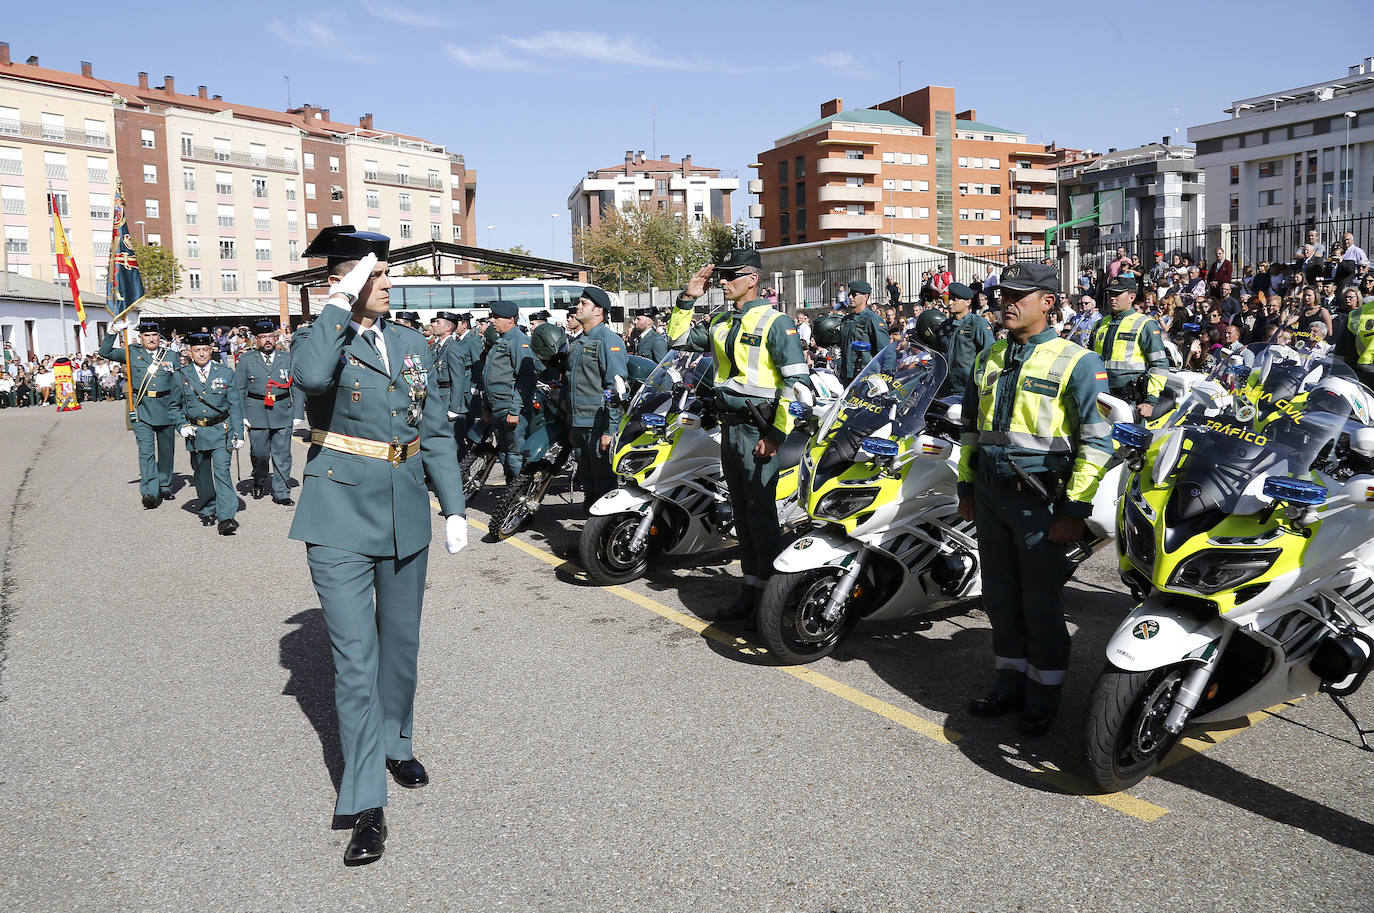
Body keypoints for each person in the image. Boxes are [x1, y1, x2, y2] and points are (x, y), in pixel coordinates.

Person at [288, 226, 467, 866]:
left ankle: (396, 742)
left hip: (405, 507)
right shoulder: (321, 339)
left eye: (388, 273)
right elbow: (310, 378)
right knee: (356, 661)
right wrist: (339, 301)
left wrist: (453, 505)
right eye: (377, 274)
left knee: (401, 644)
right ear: (344, 280)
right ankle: (366, 802)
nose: (388, 284)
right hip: (338, 513)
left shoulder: (412, 342)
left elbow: (434, 428)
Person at [956, 262, 1112, 737]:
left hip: (1040, 503)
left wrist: (1075, 511)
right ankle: (1009, 683)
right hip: (990, 497)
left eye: (1018, 295)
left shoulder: (1077, 361)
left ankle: (1043, 694)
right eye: (1003, 294)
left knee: (1040, 604)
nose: (1006, 302)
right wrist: (966, 487)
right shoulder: (989, 357)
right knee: (999, 598)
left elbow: (1097, 442)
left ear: (1047, 302)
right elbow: (971, 431)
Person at [669, 249, 810, 621]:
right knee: (743, 515)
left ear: (752, 279)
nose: (722, 281)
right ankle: (750, 587)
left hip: (758, 430)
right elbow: (677, 339)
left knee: (761, 516)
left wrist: (776, 435)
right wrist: (688, 297)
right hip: (730, 428)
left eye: (731, 275)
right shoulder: (721, 320)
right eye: (721, 274)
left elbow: (797, 384)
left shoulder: (776, 322)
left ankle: (770, 598)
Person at [99, 317, 179, 508]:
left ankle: (164, 485)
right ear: (141, 337)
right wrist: (113, 331)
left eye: (154, 335)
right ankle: (150, 491)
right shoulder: (131, 353)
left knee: (166, 450)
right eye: (147, 335)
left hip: (166, 407)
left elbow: (179, 384)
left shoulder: (171, 356)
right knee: (146, 451)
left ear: (159, 337)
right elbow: (104, 352)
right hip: (141, 407)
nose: (151, 338)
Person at [170, 332, 244, 534]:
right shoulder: (180, 375)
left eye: (205, 349)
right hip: (196, 432)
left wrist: (239, 433)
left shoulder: (225, 372)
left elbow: (235, 405)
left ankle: (226, 517)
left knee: (222, 473)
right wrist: (181, 425)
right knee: (202, 474)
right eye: (197, 350)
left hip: (221, 430)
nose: (201, 354)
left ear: (211, 350)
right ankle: (207, 509)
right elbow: (173, 406)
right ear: (189, 352)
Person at [564, 287, 629, 505]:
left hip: (598, 424)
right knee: (587, 481)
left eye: (584, 303)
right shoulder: (578, 341)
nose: (578, 307)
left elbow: (617, 389)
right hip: (579, 423)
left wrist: (609, 431)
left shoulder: (608, 340)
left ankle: (605, 525)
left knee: (604, 484)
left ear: (598, 310)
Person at [236, 318, 298, 505]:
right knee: (259, 454)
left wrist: (297, 413)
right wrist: (241, 415)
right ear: (256, 339)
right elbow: (239, 390)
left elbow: (296, 386)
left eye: (271, 336)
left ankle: (281, 492)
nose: (268, 340)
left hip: (282, 410)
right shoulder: (246, 360)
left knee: (282, 454)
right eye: (263, 337)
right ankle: (259, 479)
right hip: (256, 412)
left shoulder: (286, 358)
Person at [1092, 276, 1168, 419]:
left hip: (1130, 400)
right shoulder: (1099, 324)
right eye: (1110, 294)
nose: (1112, 298)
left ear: (1131, 297)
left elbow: (1160, 364)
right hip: (1100, 397)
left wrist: (1150, 401)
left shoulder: (1145, 324)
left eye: (1117, 294)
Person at [483, 299, 536, 483]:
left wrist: (515, 410)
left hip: (510, 407)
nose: (492, 320)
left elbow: (526, 379)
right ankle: (510, 491)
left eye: (496, 317)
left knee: (515, 453)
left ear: (510, 319)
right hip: (497, 407)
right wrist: (487, 408)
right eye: (492, 316)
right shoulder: (501, 340)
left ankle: (519, 492)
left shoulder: (519, 341)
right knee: (504, 452)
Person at [939, 283, 993, 396]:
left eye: (955, 299)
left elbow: (989, 355)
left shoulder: (978, 324)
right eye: (949, 299)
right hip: (945, 389)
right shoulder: (945, 326)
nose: (950, 303)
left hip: (968, 390)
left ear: (968, 302)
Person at [836, 279, 885, 384]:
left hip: (865, 376)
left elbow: (884, 350)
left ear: (866, 297)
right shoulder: (846, 320)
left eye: (854, 294)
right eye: (849, 294)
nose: (850, 297)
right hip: (846, 375)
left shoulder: (873, 319)